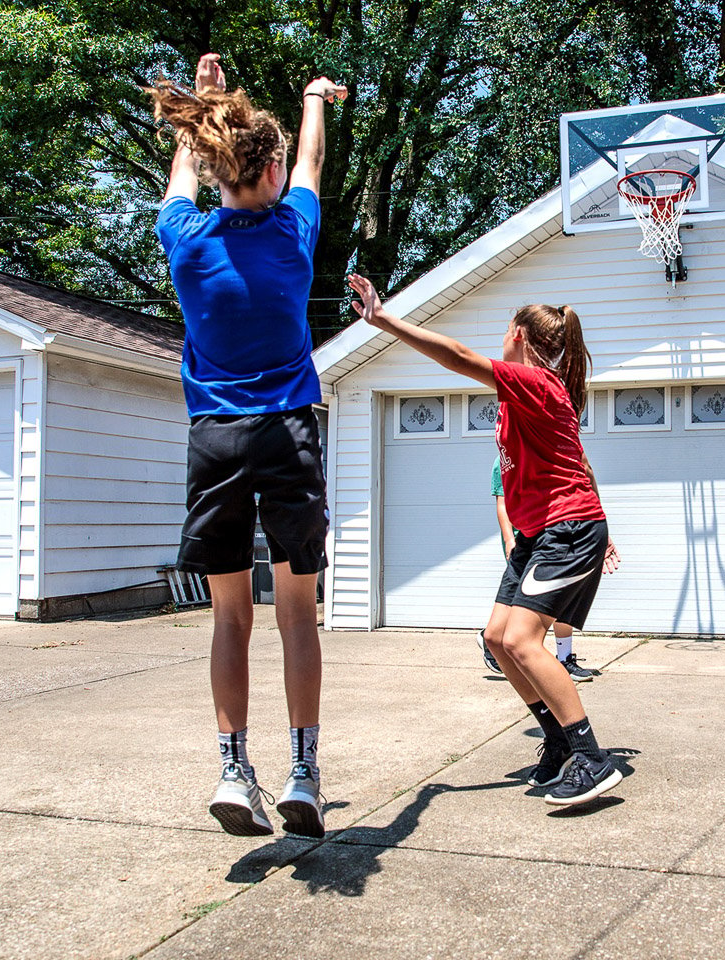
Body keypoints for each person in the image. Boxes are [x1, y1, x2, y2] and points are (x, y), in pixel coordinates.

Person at [150, 53, 347, 838]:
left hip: (217, 440)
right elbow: (313, 158)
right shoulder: (294, 234)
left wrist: (202, 110)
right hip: (288, 433)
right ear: (267, 170)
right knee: (297, 613)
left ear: (217, 165)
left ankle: (235, 769)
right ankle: (303, 771)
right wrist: (312, 98)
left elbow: (180, 184)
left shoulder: (186, 244)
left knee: (230, 617)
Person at [349, 275, 622, 806]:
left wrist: (384, 320)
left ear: (519, 334)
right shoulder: (537, 392)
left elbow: (454, 355)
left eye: (504, 329)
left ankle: (591, 759)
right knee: (497, 640)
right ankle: (559, 741)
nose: (501, 338)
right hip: (539, 533)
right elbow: (578, 460)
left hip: (567, 529)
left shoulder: (535, 383)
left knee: (524, 641)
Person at [480, 457, 595, 681]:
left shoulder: (545, 451)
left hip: (550, 538)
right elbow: (502, 503)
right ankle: (491, 639)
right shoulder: (504, 459)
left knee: (561, 597)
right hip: (523, 542)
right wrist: (509, 540)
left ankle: (564, 658)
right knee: (522, 605)